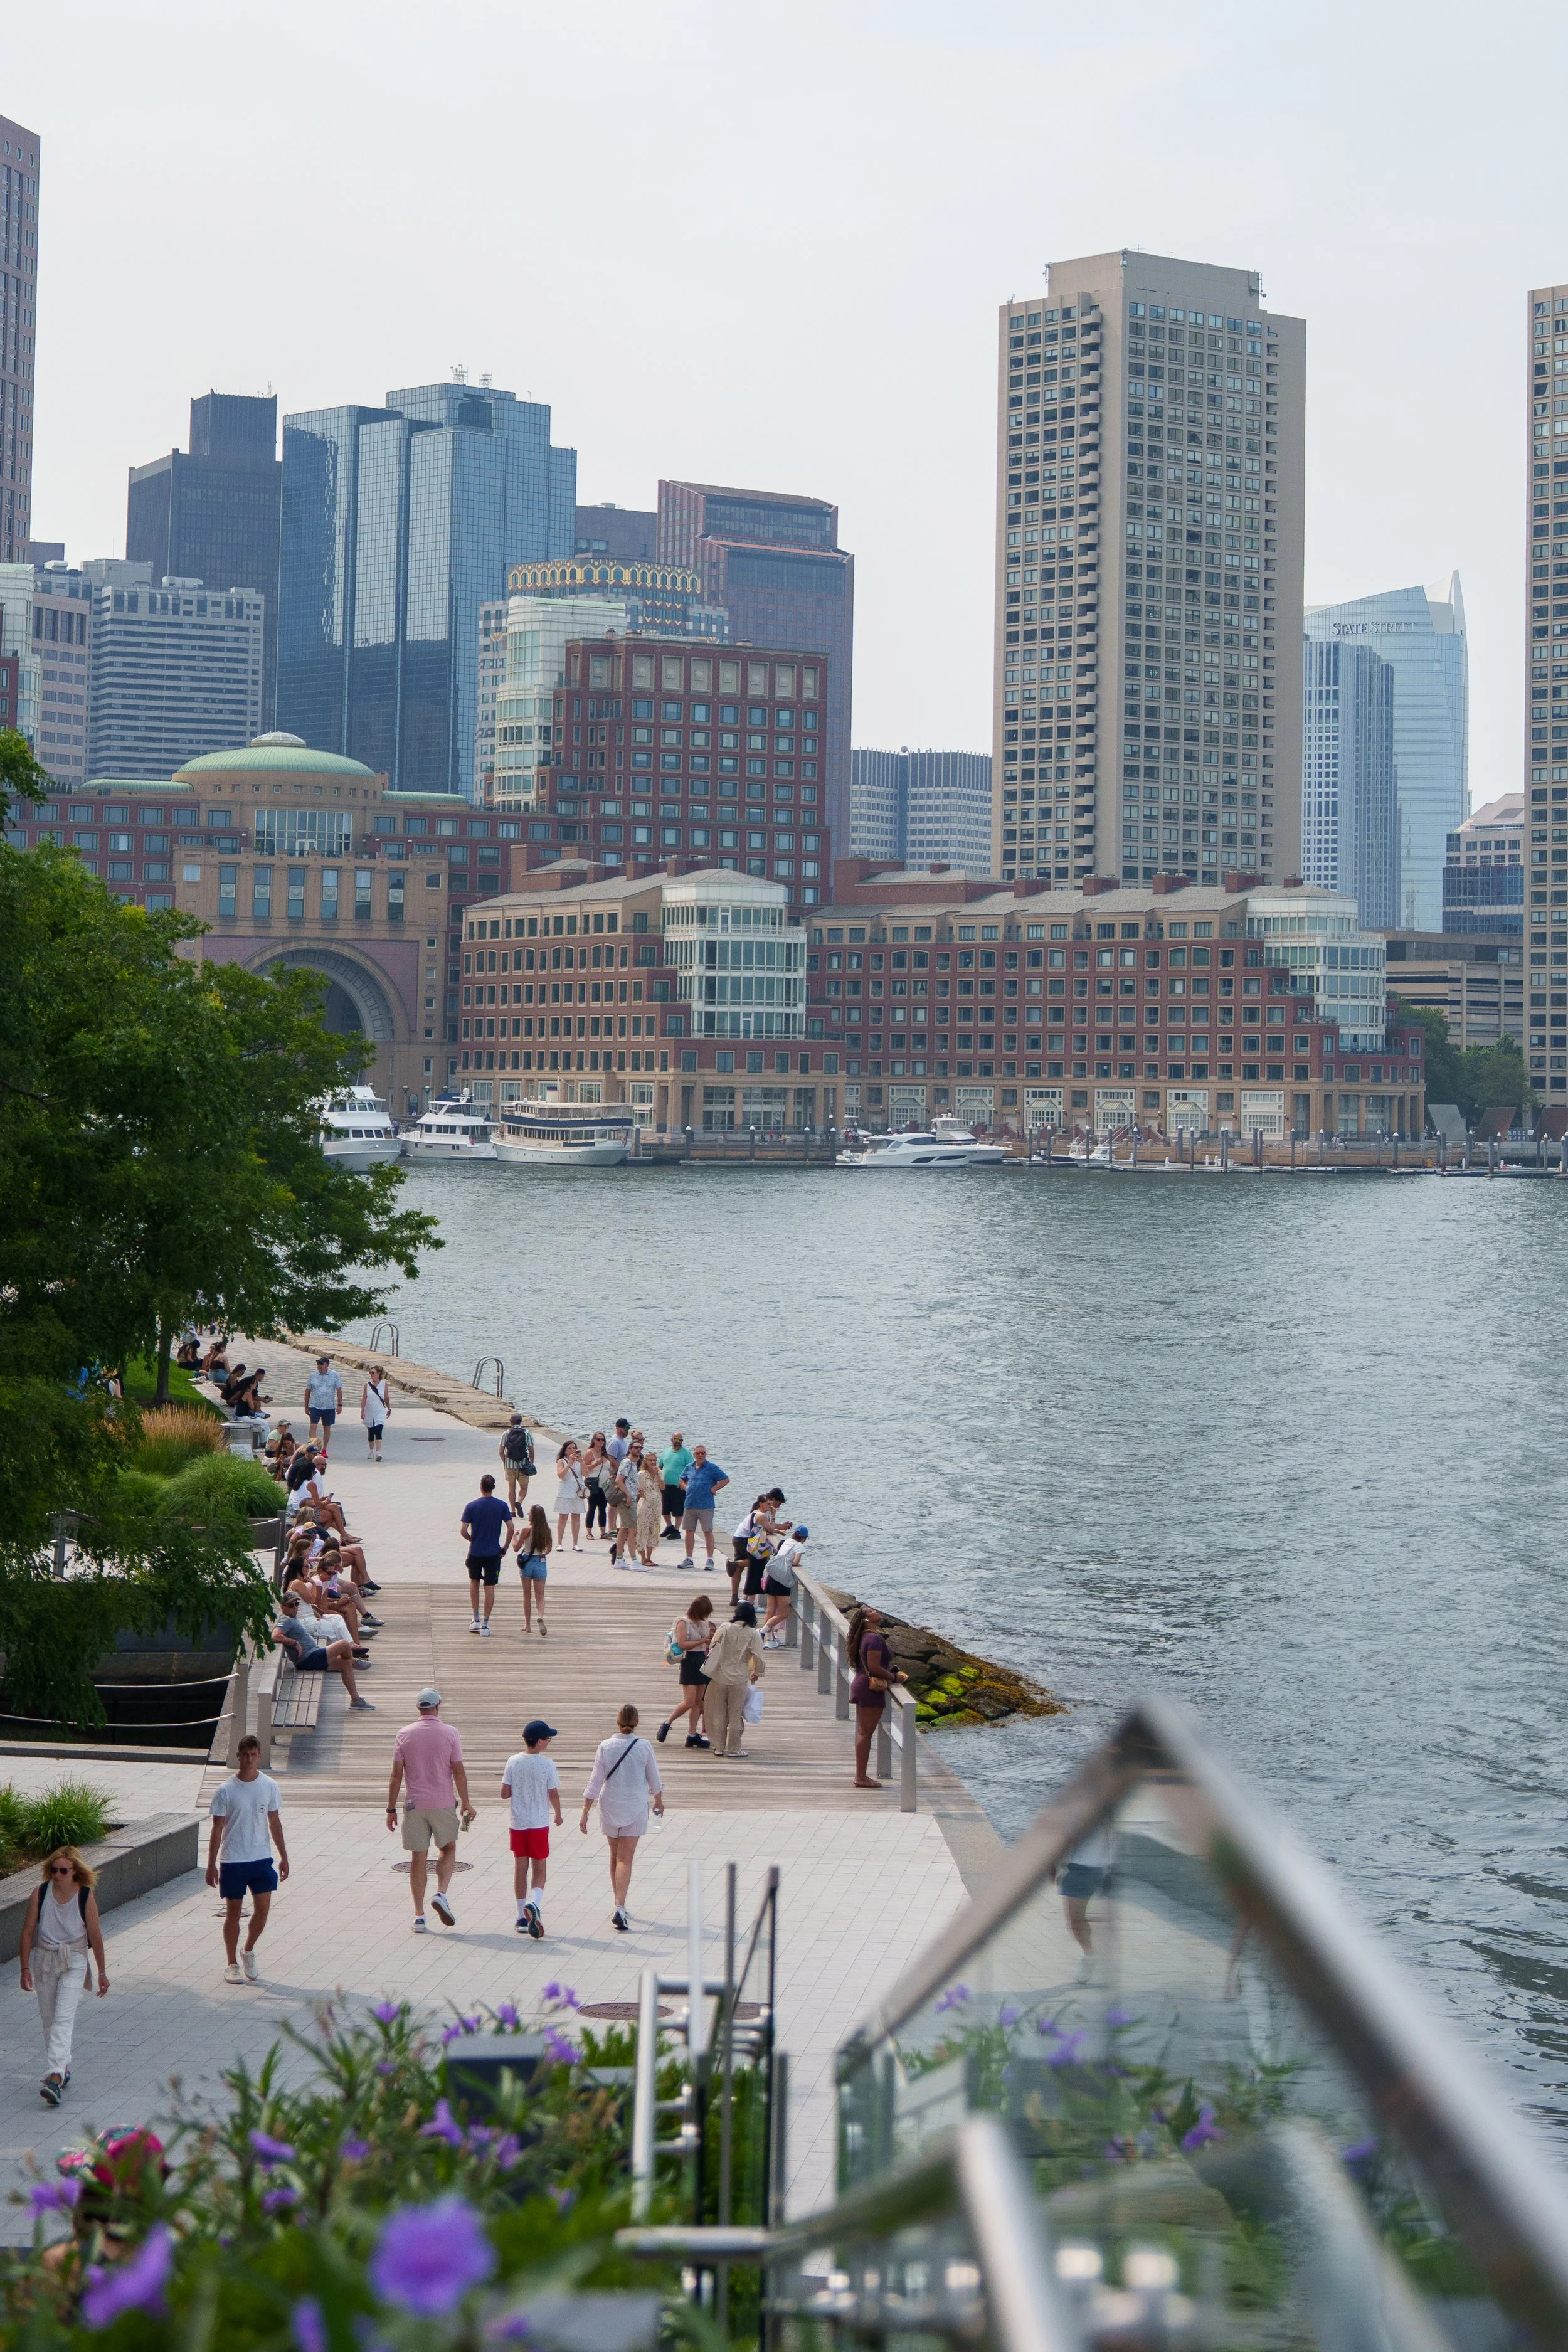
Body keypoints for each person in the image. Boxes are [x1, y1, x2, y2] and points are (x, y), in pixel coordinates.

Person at [18, 1848, 108, 2106]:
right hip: (44, 1959)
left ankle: (55, 2077)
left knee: (63, 2018)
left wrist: (102, 1972)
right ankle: (63, 2068)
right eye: (54, 1870)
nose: (57, 1875)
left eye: (63, 1871)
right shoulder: (40, 1893)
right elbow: (27, 1932)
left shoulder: (85, 1896)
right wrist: (25, 1969)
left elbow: (96, 1935)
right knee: (49, 2019)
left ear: (75, 1872)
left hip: (74, 1959)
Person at [386, 1687, 474, 1932]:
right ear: (438, 1706)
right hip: (443, 1802)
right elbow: (458, 1770)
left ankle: (419, 1916)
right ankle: (441, 1894)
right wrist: (466, 1802)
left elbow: (396, 1775)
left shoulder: (404, 1734)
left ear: (418, 1708)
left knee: (418, 1858)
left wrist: (390, 1809)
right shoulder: (450, 1734)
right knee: (448, 1848)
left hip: (414, 1805)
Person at [206, 1734, 289, 1983]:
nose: (250, 1760)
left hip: (261, 1858)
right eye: (246, 1755)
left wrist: (284, 1856)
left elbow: (274, 1822)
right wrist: (211, 1864)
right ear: (239, 1757)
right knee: (234, 1912)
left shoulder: (269, 1786)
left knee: (263, 1911)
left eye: (254, 1755)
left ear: (259, 1756)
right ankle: (231, 1963)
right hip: (233, 1860)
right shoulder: (226, 1791)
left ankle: (248, 1950)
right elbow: (217, 1828)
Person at [580, 1702, 664, 1931]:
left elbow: (595, 1782)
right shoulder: (643, 1747)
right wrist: (658, 1800)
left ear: (617, 1722)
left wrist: (585, 1811)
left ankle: (618, 1902)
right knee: (625, 1860)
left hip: (609, 1806)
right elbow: (654, 1779)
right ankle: (620, 1905)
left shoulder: (605, 1747)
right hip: (635, 1808)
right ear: (637, 1722)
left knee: (614, 1855)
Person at [501, 1718, 562, 1938]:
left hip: (517, 1823)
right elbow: (553, 1793)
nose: (549, 1742)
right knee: (540, 1868)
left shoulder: (513, 1761)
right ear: (538, 1742)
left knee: (520, 1867)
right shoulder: (547, 1764)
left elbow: (504, 1793)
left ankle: (520, 1917)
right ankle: (534, 1903)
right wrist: (558, 1813)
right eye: (547, 1739)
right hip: (538, 1823)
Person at [273, 1592, 374, 1708]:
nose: (295, 1608)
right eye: (291, 1605)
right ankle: (354, 1661)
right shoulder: (285, 1620)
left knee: (345, 1664)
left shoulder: (292, 1619)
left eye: (297, 1604)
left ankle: (356, 1700)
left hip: (312, 1656)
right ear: (282, 1607)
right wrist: (294, 1643)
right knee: (344, 1644)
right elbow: (274, 1636)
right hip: (308, 1659)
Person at [700, 1602, 765, 1759]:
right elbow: (759, 1656)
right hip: (739, 1678)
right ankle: (734, 1749)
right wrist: (757, 1672)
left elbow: (713, 1645)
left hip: (720, 1676)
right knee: (735, 1715)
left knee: (719, 1713)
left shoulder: (724, 1627)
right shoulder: (753, 1633)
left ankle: (719, 1747)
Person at [847, 1604, 902, 1789]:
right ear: (866, 1620)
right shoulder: (873, 1638)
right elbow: (874, 1668)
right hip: (869, 1689)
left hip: (862, 1685)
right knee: (865, 1734)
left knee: (864, 1733)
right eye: (871, 1612)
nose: (876, 1612)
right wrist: (894, 1677)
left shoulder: (864, 1637)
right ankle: (860, 1777)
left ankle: (860, 1776)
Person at [658, 1593, 714, 1747]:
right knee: (689, 1701)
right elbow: (682, 1644)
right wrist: (703, 1641)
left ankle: (692, 1734)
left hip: (702, 1660)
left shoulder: (703, 1622)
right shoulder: (682, 1622)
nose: (705, 1617)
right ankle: (667, 1723)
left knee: (698, 1702)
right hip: (689, 1661)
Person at [462, 1472, 514, 1636]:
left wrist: (473, 1539)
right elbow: (511, 1528)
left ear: (481, 1487)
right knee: (490, 1587)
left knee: (474, 1582)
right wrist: (504, 1548)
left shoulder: (471, 1506)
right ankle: (486, 1624)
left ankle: (475, 1618)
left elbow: (463, 1531)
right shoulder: (502, 1506)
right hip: (493, 1552)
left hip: (476, 1551)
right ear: (494, 1488)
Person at [680, 1444, 730, 1567]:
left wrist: (714, 1489)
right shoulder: (689, 1467)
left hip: (706, 1505)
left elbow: (725, 1479)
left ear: (706, 1455)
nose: (701, 1455)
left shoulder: (711, 1468)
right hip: (690, 1504)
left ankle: (710, 1560)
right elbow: (681, 1479)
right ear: (694, 1455)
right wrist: (686, 1488)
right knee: (689, 1531)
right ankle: (689, 1559)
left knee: (707, 1531)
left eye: (703, 1453)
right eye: (698, 1453)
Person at [761, 1523, 807, 1646]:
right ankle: (762, 1632)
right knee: (783, 1613)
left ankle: (770, 1640)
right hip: (782, 1581)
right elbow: (796, 1562)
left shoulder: (787, 1541)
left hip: (772, 1577)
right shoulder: (799, 1546)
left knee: (770, 1611)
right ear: (803, 1538)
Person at [516, 1503, 552, 1636]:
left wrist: (515, 1536)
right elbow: (549, 1549)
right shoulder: (547, 1530)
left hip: (527, 1562)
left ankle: (527, 1625)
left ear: (533, 1516)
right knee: (540, 1595)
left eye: (530, 1513)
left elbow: (515, 1548)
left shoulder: (527, 1530)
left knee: (527, 1595)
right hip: (541, 1562)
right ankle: (541, 1616)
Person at [607, 1445, 639, 1567]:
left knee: (624, 1529)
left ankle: (619, 1559)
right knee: (633, 1530)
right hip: (626, 1500)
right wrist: (628, 1495)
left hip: (630, 1499)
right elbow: (619, 1480)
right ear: (630, 1449)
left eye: (641, 1448)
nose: (639, 1449)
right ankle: (634, 1561)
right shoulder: (627, 1462)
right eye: (636, 1447)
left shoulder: (633, 1464)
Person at [658, 1432, 694, 1540]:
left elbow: (691, 1470)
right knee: (664, 1509)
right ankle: (669, 1526)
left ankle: (677, 1530)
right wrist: (660, 1479)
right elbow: (660, 1466)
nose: (678, 1442)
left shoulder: (686, 1454)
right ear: (671, 1440)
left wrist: (685, 1484)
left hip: (679, 1486)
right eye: (676, 1439)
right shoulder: (666, 1451)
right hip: (665, 1486)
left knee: (678, 1510)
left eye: (680, 1440)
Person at [304, 1355, 343, 1451]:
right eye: (318, 1364)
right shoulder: (313, 1376)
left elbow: (339, 1390)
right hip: (315, 1405)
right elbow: (308, 1391)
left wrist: (339, 1405)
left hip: (329, 1406)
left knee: (327, 1427)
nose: (319, 1366)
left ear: (327, 1365)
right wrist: (306, 1406)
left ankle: (324, 1449)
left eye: (321, 1364)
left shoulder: (335, 1375)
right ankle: (312, 1448)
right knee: (313, 1426)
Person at [554, 1439, 586, 1551]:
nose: (572, 1450)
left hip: (577, 1492)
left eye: (574, 1448)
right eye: (570, 1448)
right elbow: (561, 1475)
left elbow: (586, 1474)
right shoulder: (561, 1461)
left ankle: (575, 1543)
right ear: (565, 1450)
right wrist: (569, 1463)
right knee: (563, 1517)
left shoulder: (579, 1461)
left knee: (576, 1516)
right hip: (565, 1492)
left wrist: (581, 1461)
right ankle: (559, 1543)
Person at [499, 1412, 536, 1509]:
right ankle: (519, 1502)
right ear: (521, 1422)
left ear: (511, 1422)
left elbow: (501, 1451)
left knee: (511, 1488)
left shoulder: (506, 1434)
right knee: (524, 1487)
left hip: (509, 1465)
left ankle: (512, 1511)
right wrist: (531, 1464)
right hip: (523, 1465)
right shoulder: (527, 1433)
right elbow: (532, 1452)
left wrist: (505, 1462)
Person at [635, 1445, 664, 1567]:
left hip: (657, 1506)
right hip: (645, 1505)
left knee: (654, 1530)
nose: (652, 1463)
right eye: (650, 1460)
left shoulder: (660, 1472)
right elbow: (639, 1489)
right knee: (643, 1530)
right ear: (646, 1462)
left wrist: (657, 1474)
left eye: (654, 1460)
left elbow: (662, 1487)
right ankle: (642, 1557)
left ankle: (649, 1557)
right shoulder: (641, 1474)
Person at [361, 1365, 391, 1461]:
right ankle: (371, 1451)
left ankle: (378, 1452)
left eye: (373, 1373)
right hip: (369, 1410)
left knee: (378, 1429)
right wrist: (362, 1410)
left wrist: (389, 1408)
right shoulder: (367, 1385)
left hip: (380, 1410)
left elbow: (386, 1397)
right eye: (370, 1373)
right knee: (371, 1431)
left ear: (379, 1374)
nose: (371, 1374)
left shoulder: (384, 1384)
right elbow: (364, 1397)